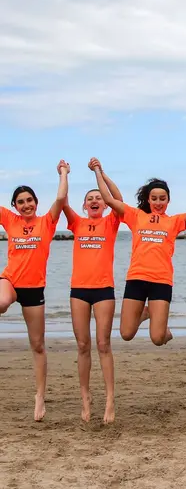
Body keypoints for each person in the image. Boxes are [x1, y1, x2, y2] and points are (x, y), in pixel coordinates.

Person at [91, 158, 186, 346]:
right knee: (126, 334)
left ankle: (160, 325)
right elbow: (109, 199)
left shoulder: (174, 221)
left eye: (162, 198)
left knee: (158, 339)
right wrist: (98, 172)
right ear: (148, 199)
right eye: (154, 198)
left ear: (168, 200)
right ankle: (146, 312)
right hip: (136, 278)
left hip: (161, 281)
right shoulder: (136, 216)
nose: (158, 202)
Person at [0, 160, 70, 421]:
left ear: (36, 202)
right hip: (10, 281)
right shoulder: (10, 220)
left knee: (38, 345)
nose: (26, 204)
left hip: (34, 289)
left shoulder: (46, 222)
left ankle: (39, 397)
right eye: (21, 201)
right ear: (14, 206)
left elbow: (61, 197)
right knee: (1, 301)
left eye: (30, 200)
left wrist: (63, 173)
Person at [62, 157, 123, 423]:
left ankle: (110, 400)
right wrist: (64, 173)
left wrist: (101, 172)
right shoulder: (76, 222)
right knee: (83, 345)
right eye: (91, 198)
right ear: (85, 205)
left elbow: (118, 199)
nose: (96, 200)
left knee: (103, 344)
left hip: (103, 290)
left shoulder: (110, 222)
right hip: (79, 291)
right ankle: (85, 398)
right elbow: (61, 201)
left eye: (99, 197)